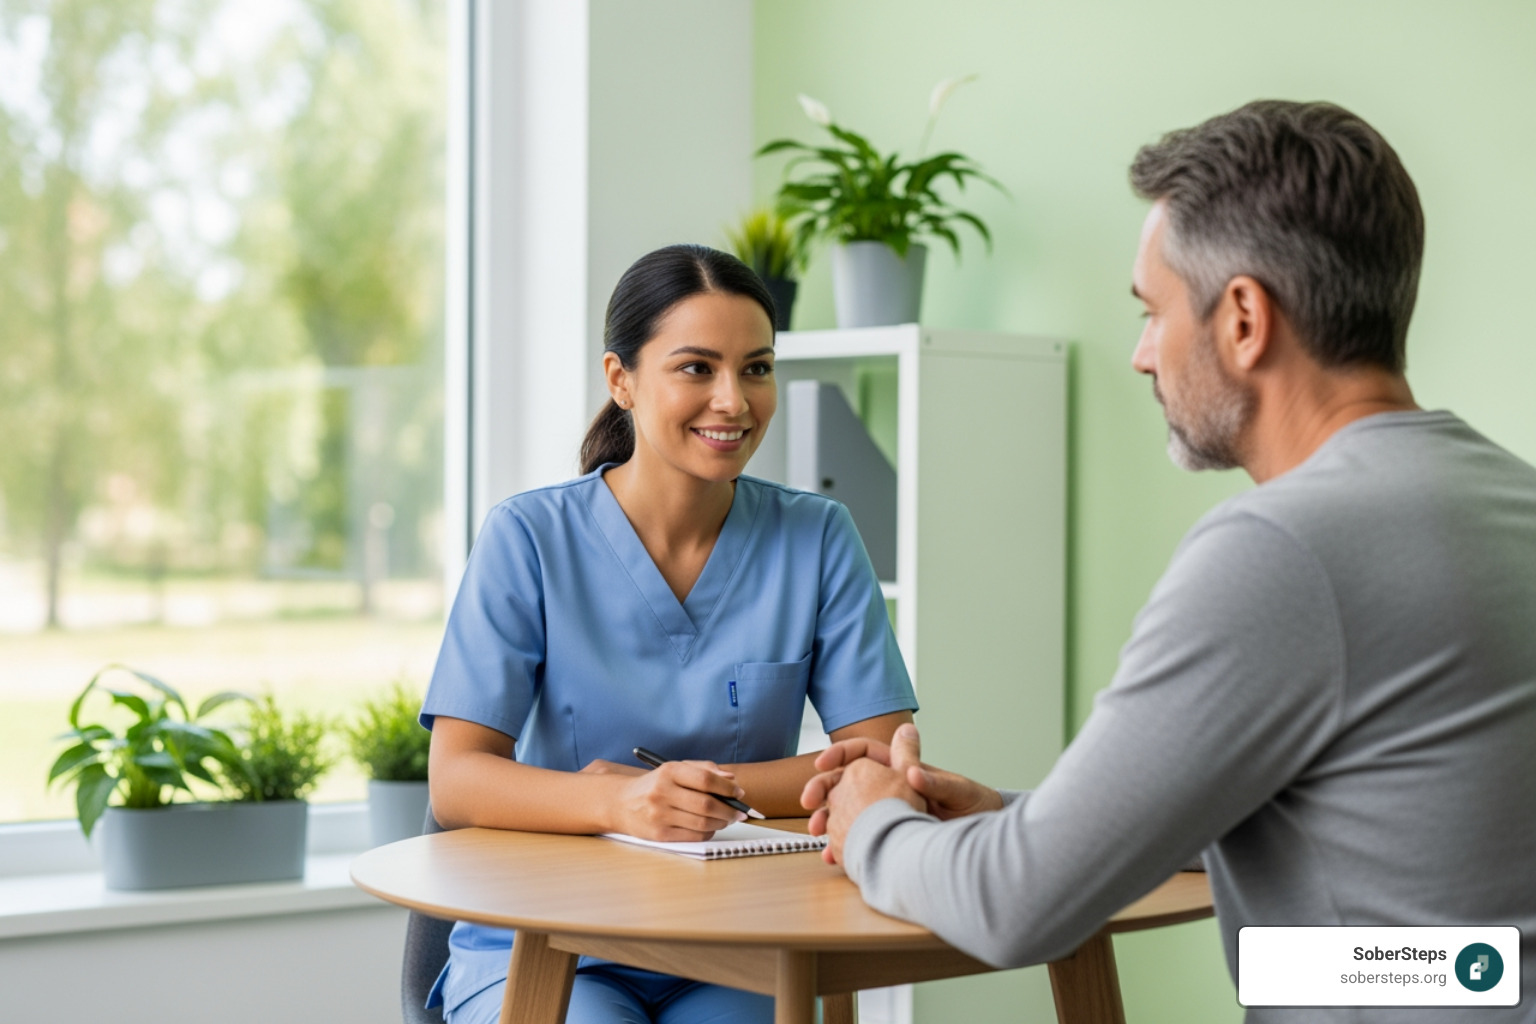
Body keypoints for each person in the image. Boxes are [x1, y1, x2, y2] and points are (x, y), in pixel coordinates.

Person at [801, 100, 1536, 1021]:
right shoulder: (1510, 501)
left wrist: (874, 818)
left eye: (1152, 311)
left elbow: (1013, 908)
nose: (1144, 355)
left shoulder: (1284, 550)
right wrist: (1022, 819)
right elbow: (1411, 874)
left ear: (1242, 320)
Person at [420, 243, 918, 1024]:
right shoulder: (528, 537)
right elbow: (457, 780)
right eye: (697, 368)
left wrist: (698, 795)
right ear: (620, 380)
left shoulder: (818, 537)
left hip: (740, 939)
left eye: (757, 368)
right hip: (554, 943)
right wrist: (619, 807)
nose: (734, 400)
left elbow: (881, 762)